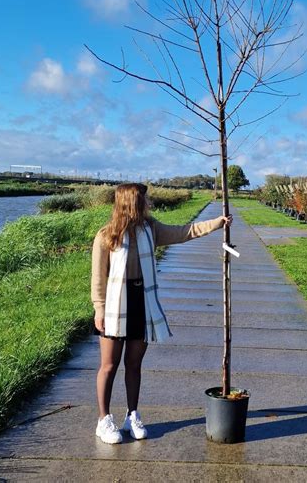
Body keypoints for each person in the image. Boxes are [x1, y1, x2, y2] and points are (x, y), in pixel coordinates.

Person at [91, 183, 232, 444]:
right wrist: (99, 309)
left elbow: (184, 232)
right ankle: (104, 420)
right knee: (109, 365)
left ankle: (132, 415)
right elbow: (98, 279)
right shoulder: (106, 236)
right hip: (114, 307)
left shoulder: (151, 229)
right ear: (132, 202)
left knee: (134, 365)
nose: (149, 203)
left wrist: (217, 223)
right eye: (145, 200)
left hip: (142, 303)